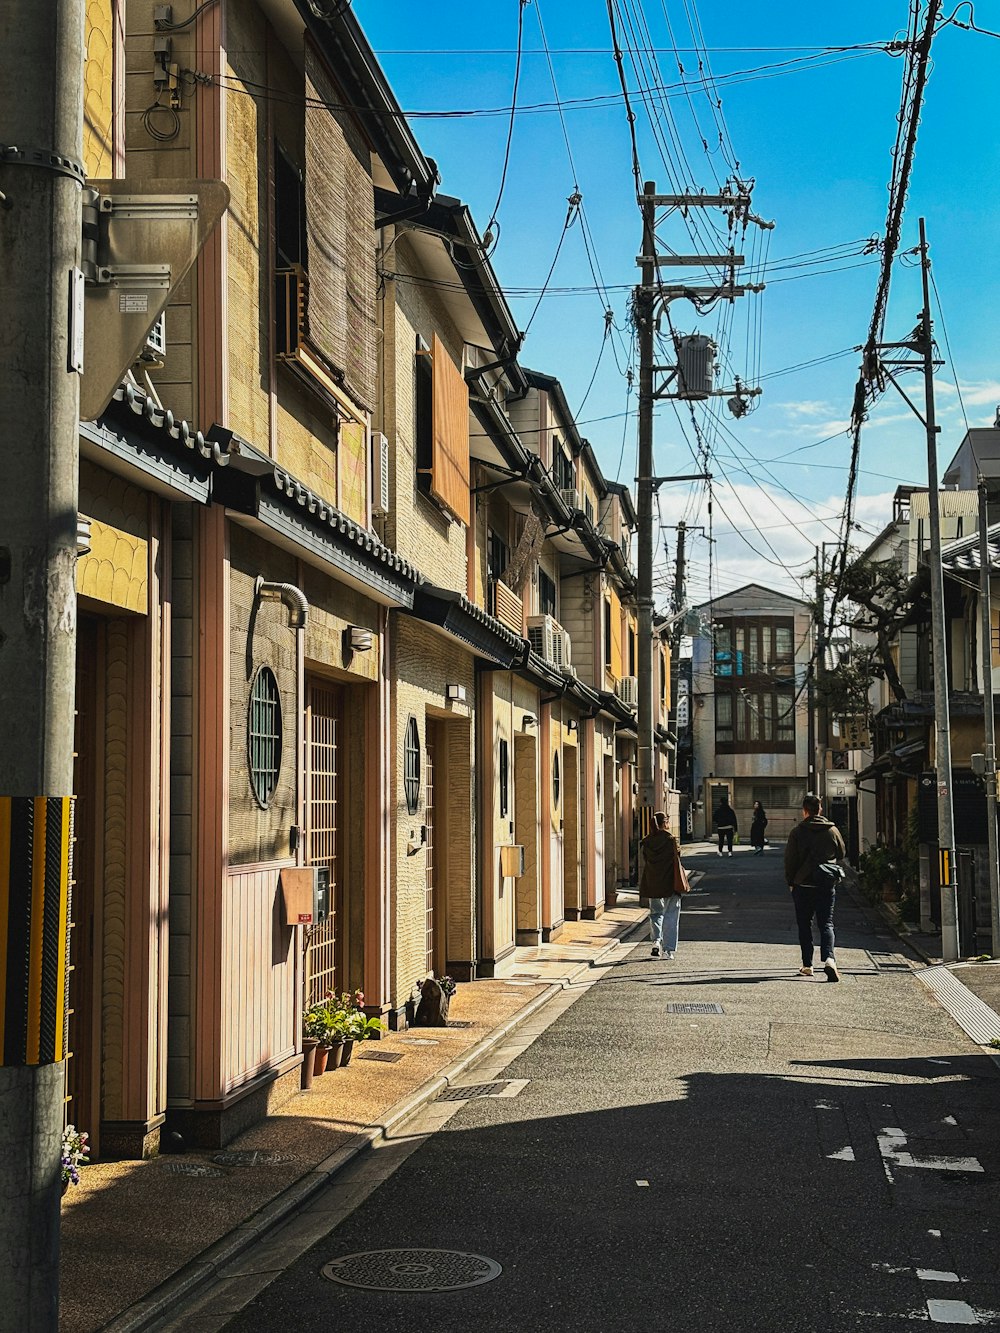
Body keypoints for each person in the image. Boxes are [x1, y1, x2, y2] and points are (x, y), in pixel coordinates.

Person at [784, 792, 847, 981]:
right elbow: (842, 852)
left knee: (805, 925)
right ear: (820, 809)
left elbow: (790, 861)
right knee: (826, 923)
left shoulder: (797, 832)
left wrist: (791, 882)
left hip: (803, 884)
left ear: (804, 811)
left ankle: (807, 965)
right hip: (825, 883)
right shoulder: (832, 830)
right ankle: (829, 959)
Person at [640, 811, 683, 959]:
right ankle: (668, 950)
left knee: (655, 913)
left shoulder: (647, 842)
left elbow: (645, 860)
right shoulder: (670, 840)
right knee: (671, 914)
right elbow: (677, 857)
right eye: (667, 820)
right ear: (664, 823)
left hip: (653, 882)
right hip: (670, 882)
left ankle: (656, 942)